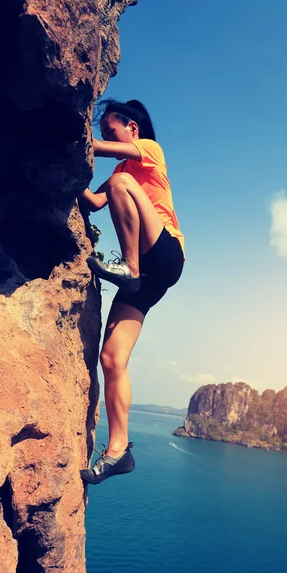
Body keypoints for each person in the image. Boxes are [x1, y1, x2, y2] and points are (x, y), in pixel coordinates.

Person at [79, 99, 185, 485]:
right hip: (146, 278)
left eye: (112, 132)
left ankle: (129, 268)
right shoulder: (122, 173)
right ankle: (118, 451)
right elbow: (92, 201)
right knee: (111, 357)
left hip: (165, 253)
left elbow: (99, 152)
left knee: (124, 182)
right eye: (104, 133)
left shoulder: (150, 153)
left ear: (133, 130)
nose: (108, 139)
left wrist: (74, 140)